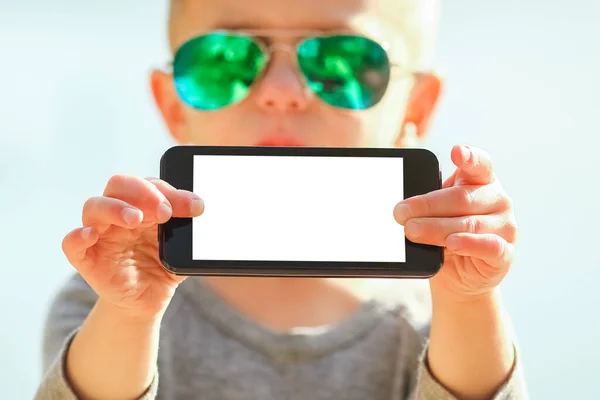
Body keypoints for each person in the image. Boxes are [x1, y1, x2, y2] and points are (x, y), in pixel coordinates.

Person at [35, 0, 528, 399]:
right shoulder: (105, 299)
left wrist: (468, 303)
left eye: (342, 65)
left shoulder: (443, 320)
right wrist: (128, 316)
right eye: (226, 60)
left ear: (416, 107)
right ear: (173, 105)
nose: (282, 91)